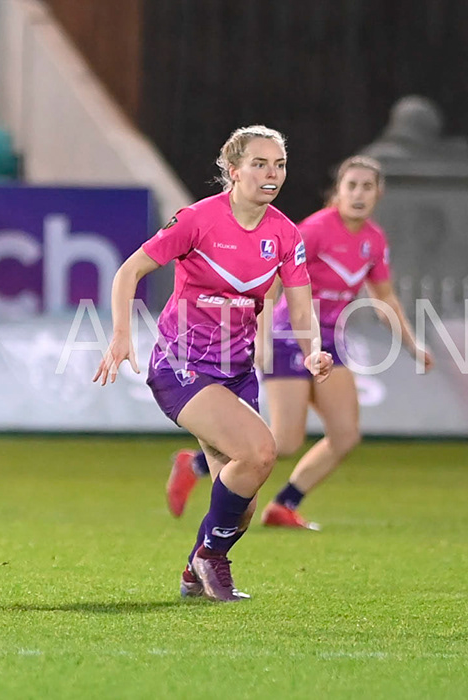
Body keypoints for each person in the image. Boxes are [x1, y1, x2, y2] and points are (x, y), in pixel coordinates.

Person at [94, 125, 332, 602]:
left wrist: (313, 348)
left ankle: (192, 571)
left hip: (237, 371)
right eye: (260, 164)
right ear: (233, 169)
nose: (272, 174)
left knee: (242, 504)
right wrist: (121, 334)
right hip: (182, 364)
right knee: (261, 452)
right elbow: (129, 271)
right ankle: (210, 559)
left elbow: (301, 306)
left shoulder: (285, 233)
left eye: (279, 165)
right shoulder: (197, 220)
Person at [165, 157, 433, 529]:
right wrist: (261, 335)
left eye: (366, 187)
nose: (358, 194)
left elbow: (384, 297)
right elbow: (272, 280)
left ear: (379, 193)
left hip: (330, 342)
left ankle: (284, 506)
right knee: (286, 441)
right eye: (351, 185)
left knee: (345, 434)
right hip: (289, 336)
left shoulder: (373, 239)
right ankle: (194, 463)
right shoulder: (316, 229)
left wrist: (411, 343)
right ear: (337, 190)